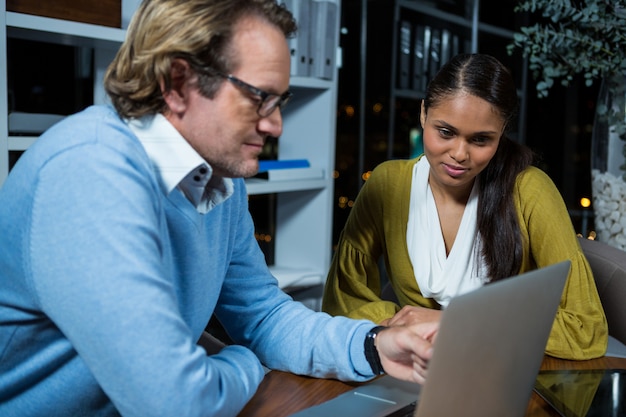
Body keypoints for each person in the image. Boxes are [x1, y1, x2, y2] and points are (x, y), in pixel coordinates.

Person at [0, 1, 438, 416]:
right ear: (177, 84)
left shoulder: (218, 180)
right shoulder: (90, 171)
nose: (275, 124)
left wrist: (376, 344)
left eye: (279, 101)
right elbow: (178, 403)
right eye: (258, 97)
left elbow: (263, 315)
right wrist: (245, 361)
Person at [322, 53, 608, 361]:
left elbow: (585, 330)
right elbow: (343, 301)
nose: (459, 154)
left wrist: (452, 323)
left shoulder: (529, 191)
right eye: (445, 132)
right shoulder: (387, 184)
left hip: (504, 371)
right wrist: (400, 323)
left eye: (481, 140)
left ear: (502, 134)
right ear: (423, 114)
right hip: (413, 367)